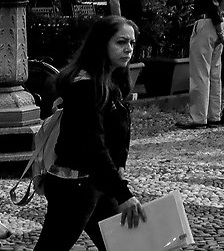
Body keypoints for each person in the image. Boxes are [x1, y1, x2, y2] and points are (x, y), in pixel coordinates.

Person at [33, 15, 147, 251]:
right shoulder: (86, 86)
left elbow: (112, 136)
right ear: (101, 44)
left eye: (132, 43)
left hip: (96, 182)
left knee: (122, 246)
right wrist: (123, 193)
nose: (128, 49)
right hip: (75, 185)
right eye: (121, 42)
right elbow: (93, 144)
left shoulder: (110, 81)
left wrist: (118, 169)